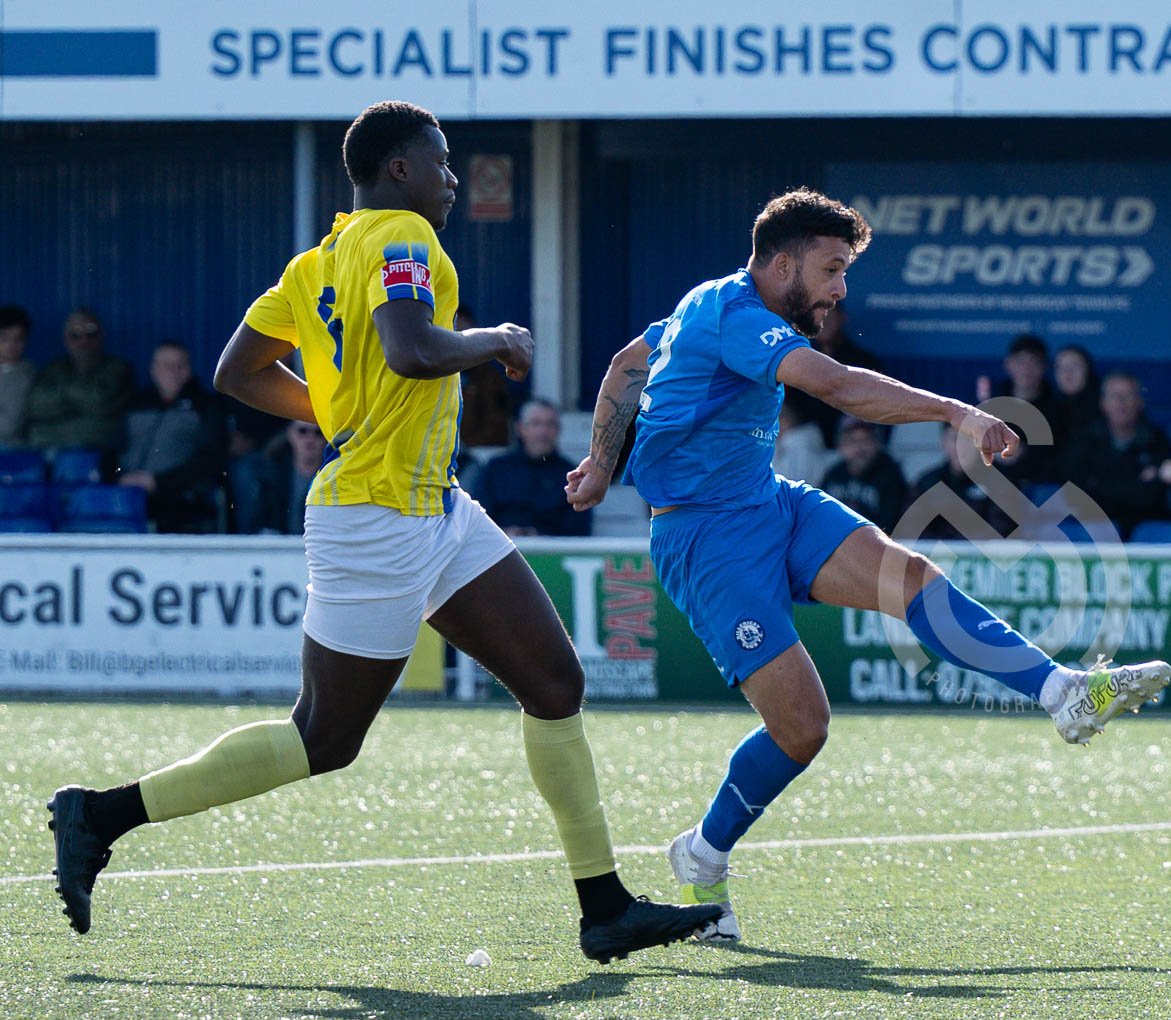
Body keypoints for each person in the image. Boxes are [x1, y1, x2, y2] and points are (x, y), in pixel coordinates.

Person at [46, 101, 718, 962]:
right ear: (399, 168)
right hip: (375, 516)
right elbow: (411, 348)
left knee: (555, 682)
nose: (452, 177)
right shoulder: (404, 236)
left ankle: (605, 907)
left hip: (435, 505)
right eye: (441, 161)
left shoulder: (315, 263)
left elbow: (236, 370)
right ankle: (101, 813)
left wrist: (339, 410)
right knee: (324, 737)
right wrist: (495, 339)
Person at [563, 188, 1171, 943]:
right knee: (803, 728)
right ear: (781, 265)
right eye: (831, 270)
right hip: (704, 538)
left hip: (767, 501)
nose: (841, 289)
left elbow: (628, 363)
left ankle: (1063, 692)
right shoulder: (736, 316)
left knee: (911, 578)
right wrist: (957, 412)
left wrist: (601, 464)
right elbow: (840, 388)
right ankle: (704, 852)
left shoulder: (707, 304)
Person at [115, 341, 230, 533]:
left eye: (181, 365)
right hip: (128, 492)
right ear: (154, 370)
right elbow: (114, 448)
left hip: (182, 496)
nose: (174, 372)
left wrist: (158, 482)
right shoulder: (136, 404)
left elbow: (209, 458)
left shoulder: (206, 406)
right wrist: (121, 478)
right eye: (167, 366)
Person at [1064, 371, 1171, 539]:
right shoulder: (1084, 440)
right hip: (1092, 532)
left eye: (1128, 396)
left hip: (1146, 534)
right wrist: (1136, 486)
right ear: (1103, 403)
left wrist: (1102, 484)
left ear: (1140, 402)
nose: (1121, 402)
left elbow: (1153, 496)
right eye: (1114, 396)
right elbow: (1077, 493)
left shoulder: (1157, 440)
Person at [23, 307, 134, 460]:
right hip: (49, 451)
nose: (84, 341)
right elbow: (35, 406)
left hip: (98, 452)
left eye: (91, 334)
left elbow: (99, 402)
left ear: (101, 336)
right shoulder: (53, 369)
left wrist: (60, 395)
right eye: (75, 335)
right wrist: (82, 398)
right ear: (66, 340)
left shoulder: (117, 368)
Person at [472, 399, 592, 537]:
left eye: (550, 424)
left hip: (553, 548)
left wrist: (539, 535)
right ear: (520, 428)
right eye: (536, 423)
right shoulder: (495, 469)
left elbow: (579, 529)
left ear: (558, 430)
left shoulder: (572, 475)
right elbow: (478, 520)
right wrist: (505, 534)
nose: (543, 432)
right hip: (499, 546)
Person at [977, 334, 1068, 485]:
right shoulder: (989, 404)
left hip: (1042, 486)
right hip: (992, 485)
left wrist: (1026, 453)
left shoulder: (1059, 409)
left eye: (1034, 362)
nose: (1027, 369)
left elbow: (1062, 458)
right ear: (1008, 364)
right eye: (1021, 362)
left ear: (1044, 367)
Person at [903, 420, 1014, 540]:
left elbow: (1002, 529)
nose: (961, 447)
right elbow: (910, 529)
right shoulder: (928, 482)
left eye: (968, 440)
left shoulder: (1000, 481)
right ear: (944, 442)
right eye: (954, 439)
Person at [801, 300, 878, 446]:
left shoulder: (864, 361)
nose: (824, 323)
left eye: (829, 316)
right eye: (819, 318)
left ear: (842, 318)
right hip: (808, 443)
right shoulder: (800, 359)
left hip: (850, 441)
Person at [817, 415, 907, 527]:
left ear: (877, 444)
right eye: (852, 441)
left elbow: (891, 524)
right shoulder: (834, 474)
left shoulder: (890, 475)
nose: (859, 448)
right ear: (841, 446)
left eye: (866, 441)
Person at [454, 305, 522, 448]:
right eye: (454, 331)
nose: (458, 337)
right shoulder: (426, 373)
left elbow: (497, 424)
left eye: (463, 331)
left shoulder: (489, 378)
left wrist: (468, 447)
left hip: (479, 452)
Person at [251, 419, 327, 535]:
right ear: (290, 433)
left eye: (318, 433)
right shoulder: (272, 475)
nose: (310, 439)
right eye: (302, 431)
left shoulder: (336, 477)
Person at [1051, 344, 1104, 440]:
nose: (1067, 372)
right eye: (1061, 367)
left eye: (1075, 366)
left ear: (1088, 370)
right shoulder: (1050, 407)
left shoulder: (1105, 408)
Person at [0, 305, 33, 446]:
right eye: (4, 338)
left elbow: (9, 427)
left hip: (11, 449)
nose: (11, 345)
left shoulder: (26, 375)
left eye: (18, 339)